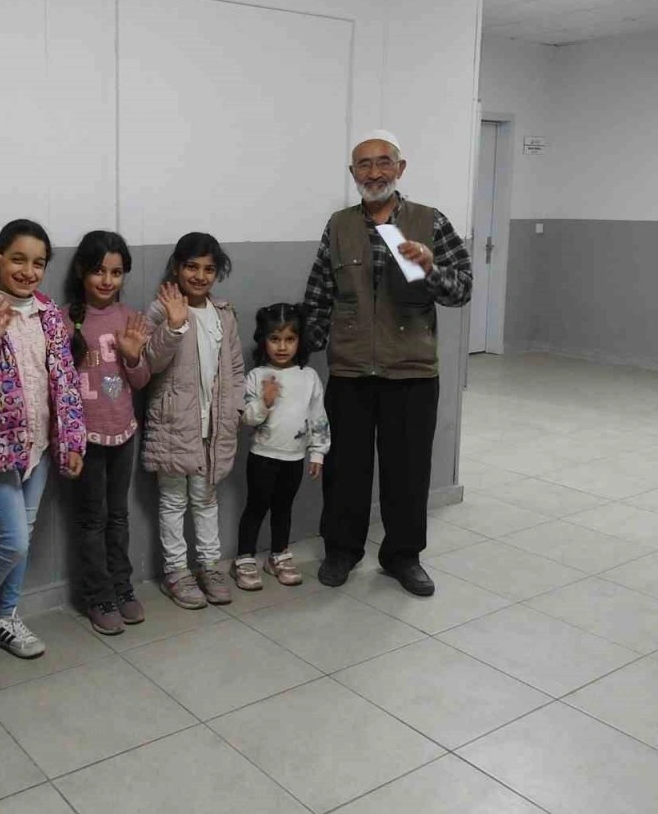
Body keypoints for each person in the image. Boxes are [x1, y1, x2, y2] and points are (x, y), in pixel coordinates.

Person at [304, 129, 472, 595]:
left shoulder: (430, 221)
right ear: (352, 173)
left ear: (400, 168)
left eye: (383, 162)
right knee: (345, 470)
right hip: (351, 369)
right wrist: (300, 352)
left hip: (411, 371)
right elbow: (319, 292)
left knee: (408, 472)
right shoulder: (339, 226)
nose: (374, 172)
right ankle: (342, 550)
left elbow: (462, 290)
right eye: (364, 164)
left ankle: (403, 556)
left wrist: (431, 267)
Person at [0, 219, 86, 670]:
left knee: (21, 538)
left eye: (38, 263)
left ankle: (6, 617)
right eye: (18, 259)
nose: (28, 271)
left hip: (39, 447)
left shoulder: (49, 313)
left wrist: (72, 439)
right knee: (13, 542)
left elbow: (65, 381)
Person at [142, 232, 245, 609]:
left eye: (209, 269)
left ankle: (209, 566)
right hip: (174, 426)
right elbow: (149, 364)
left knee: (205, 499)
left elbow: (235, 367)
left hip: (213, 429)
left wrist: (235, 410)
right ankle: (176, 572)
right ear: (176, 268)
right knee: (173, 501)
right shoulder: (160, 309)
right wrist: (173, 325)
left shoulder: (224, 314)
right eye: (191, 267)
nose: (200, 276)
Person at [64, 231, 152, 635]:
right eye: (99, 271)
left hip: (124, 434)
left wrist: (133, 357)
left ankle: (121, 587)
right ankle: (97, 595)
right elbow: (58, 385)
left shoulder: (130, 318)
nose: (107, 280)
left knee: (118, 516)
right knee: (92, 519)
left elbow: (140, 380)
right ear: (82, 271)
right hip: (85, 440)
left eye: (116, 273)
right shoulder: (64, 319)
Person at [232, 303, 330, 591]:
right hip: (262, 456)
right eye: (275, 339)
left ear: (300, 341)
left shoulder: (308, 377)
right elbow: (246, 418)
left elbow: (318, 417)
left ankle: (278, 556)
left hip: (294, 458)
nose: (282, 346)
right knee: (256, 507)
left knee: (283, 508)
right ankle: (244, 558)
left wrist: (318, 452)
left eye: (289, 339)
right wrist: (265, 401)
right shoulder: (256, 376)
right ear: (264, 340)